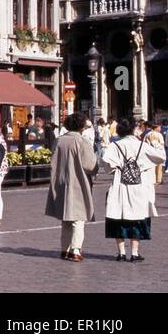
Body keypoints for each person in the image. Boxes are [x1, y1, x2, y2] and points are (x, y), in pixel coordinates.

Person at [101, 117, 163, 262]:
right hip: (138, 186)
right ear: (133, 129)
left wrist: (116, 168)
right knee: (137, 218)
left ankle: (121, 252)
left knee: (118, 217)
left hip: (120, 185)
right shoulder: (141, 145)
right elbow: (160, 157)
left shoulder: (115, 146)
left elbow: (106, 163)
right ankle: (134, 253)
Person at [46, 112, 98, 261]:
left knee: (66, 218)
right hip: (78, 183)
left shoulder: (59, 141)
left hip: (61, 182)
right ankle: (75, 250)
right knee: (78, 218)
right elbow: (90, 165)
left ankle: (64, 249)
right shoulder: (82, 142)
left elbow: (53, 162)